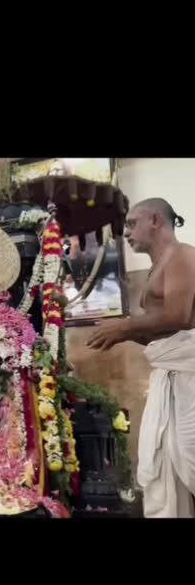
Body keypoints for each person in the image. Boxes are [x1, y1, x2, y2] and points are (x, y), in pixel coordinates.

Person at [87, 198, 195, 517]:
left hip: (190, 378)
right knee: (167, 460)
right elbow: (160, 337)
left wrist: (126, 325)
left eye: (132, 224)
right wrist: (124, 333)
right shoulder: (154, 270)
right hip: (171, 375)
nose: (127, 232)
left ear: (155, 220)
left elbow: (179, 316)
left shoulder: (183, 256)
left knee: (189, 458)